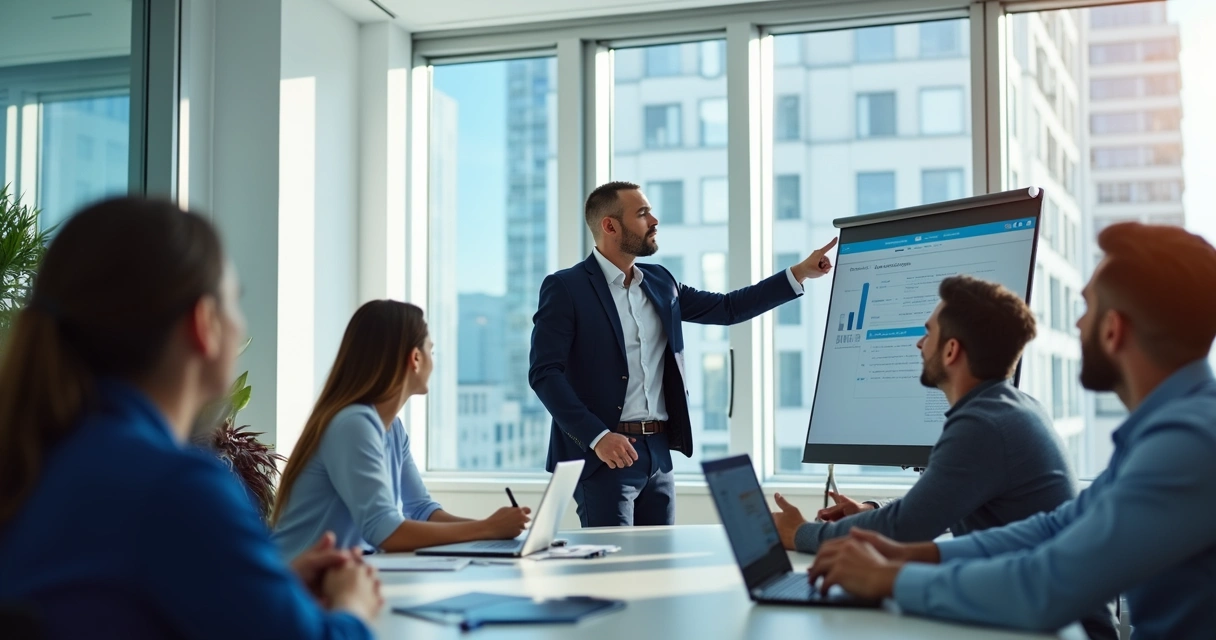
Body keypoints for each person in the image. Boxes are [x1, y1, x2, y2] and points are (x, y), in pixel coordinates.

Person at [808, 223, 1216, 640]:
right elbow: (1054, 527)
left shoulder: (1189, 443)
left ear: (1113, 329)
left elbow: (1044, 587)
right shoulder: (1171, 430)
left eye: (1087, 308)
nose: (1077, 325)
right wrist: (913, 554)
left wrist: (890, 579)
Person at [0, 198, 381, 639]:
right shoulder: (174, 487)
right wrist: (354, 605)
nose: (240, 322)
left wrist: (264, 587)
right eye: (235, 302)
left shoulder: (36, 459)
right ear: (205, 323)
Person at [530, 180, 836, 527]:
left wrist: (799, 274)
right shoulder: (567, 287)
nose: (655, 220)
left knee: (661, 565)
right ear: (610, 226)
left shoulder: (662, 282)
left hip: (658, 454)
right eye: (643, 213)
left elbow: (727, 308)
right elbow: (545, 373)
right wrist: (598, 437)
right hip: (606, 455)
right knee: (612, 570)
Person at [771, 276, 1076, 551]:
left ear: (950, 350)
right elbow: (939, 505)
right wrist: (873, 510)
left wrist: (799, 533)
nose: (919, 343)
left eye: (928, 333)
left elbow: (903, 528)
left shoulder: (983, 425)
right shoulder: (1014, 408)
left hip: (1044, 611)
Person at [272, 300, 531, 558]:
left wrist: (494, 530)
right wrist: (486, 528)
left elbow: (421, 510)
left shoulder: (392, 428)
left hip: (340, 574)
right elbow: (384, 531)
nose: (433, 360)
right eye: (432, 350)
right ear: (415, 358)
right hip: (296, 584)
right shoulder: (353, 424)